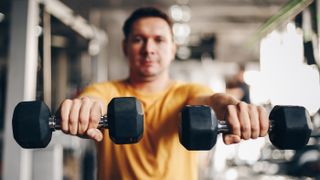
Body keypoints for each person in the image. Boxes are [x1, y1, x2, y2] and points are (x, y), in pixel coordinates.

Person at [59, 7, 269, 180]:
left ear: (172, 49)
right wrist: (83, 107)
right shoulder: (107, 91)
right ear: (125, 47)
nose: (149, 48)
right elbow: (92, 100)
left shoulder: (188, 92)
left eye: (159, 40)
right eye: (139, 39)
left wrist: (233, 107)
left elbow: (213, 101)